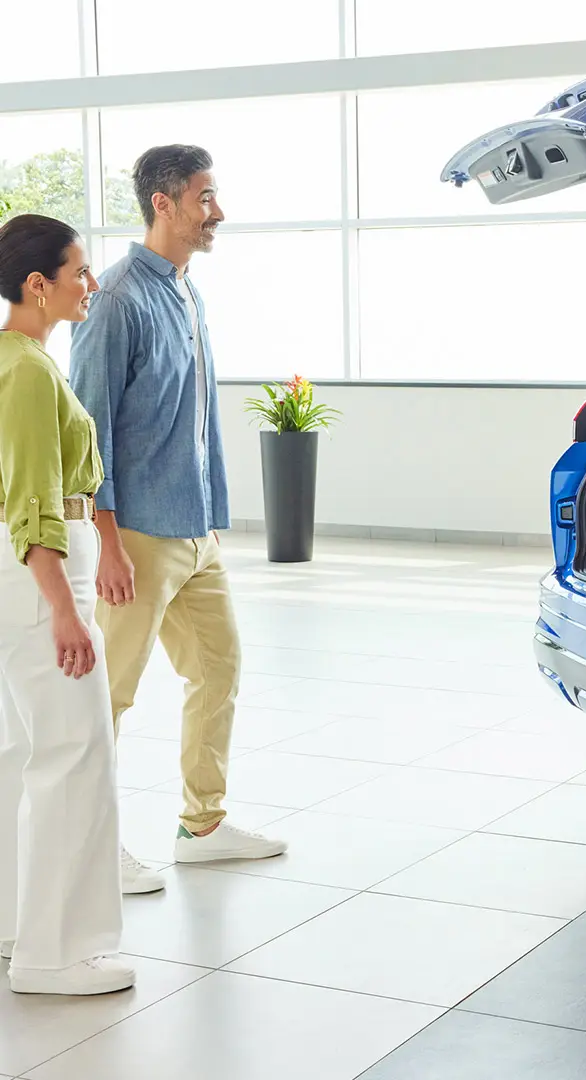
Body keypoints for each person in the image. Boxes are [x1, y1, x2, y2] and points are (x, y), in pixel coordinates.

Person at [69, 145, 285, 895]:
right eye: (205, 197)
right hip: (134, 536)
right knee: (109, 694)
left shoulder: (187, 292)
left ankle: (203, 826)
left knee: (218, 670)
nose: (216, 211)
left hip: (194, 529)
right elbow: (88, 431)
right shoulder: (116, 298)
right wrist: (106, 543)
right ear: (163, 204)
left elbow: (194, 420)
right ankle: (90, 849)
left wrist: (211, 516)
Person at [0, 213, 135, 995]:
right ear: (36, 284)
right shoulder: (26, 370)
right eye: (79, 271)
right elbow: (32, 499)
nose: (90, 284)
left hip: (24, 568)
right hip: (43, 569)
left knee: (24, 752)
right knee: (74, 753)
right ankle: (54, 956)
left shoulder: (19, 360)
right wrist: (62, 607)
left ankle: (18, 926)